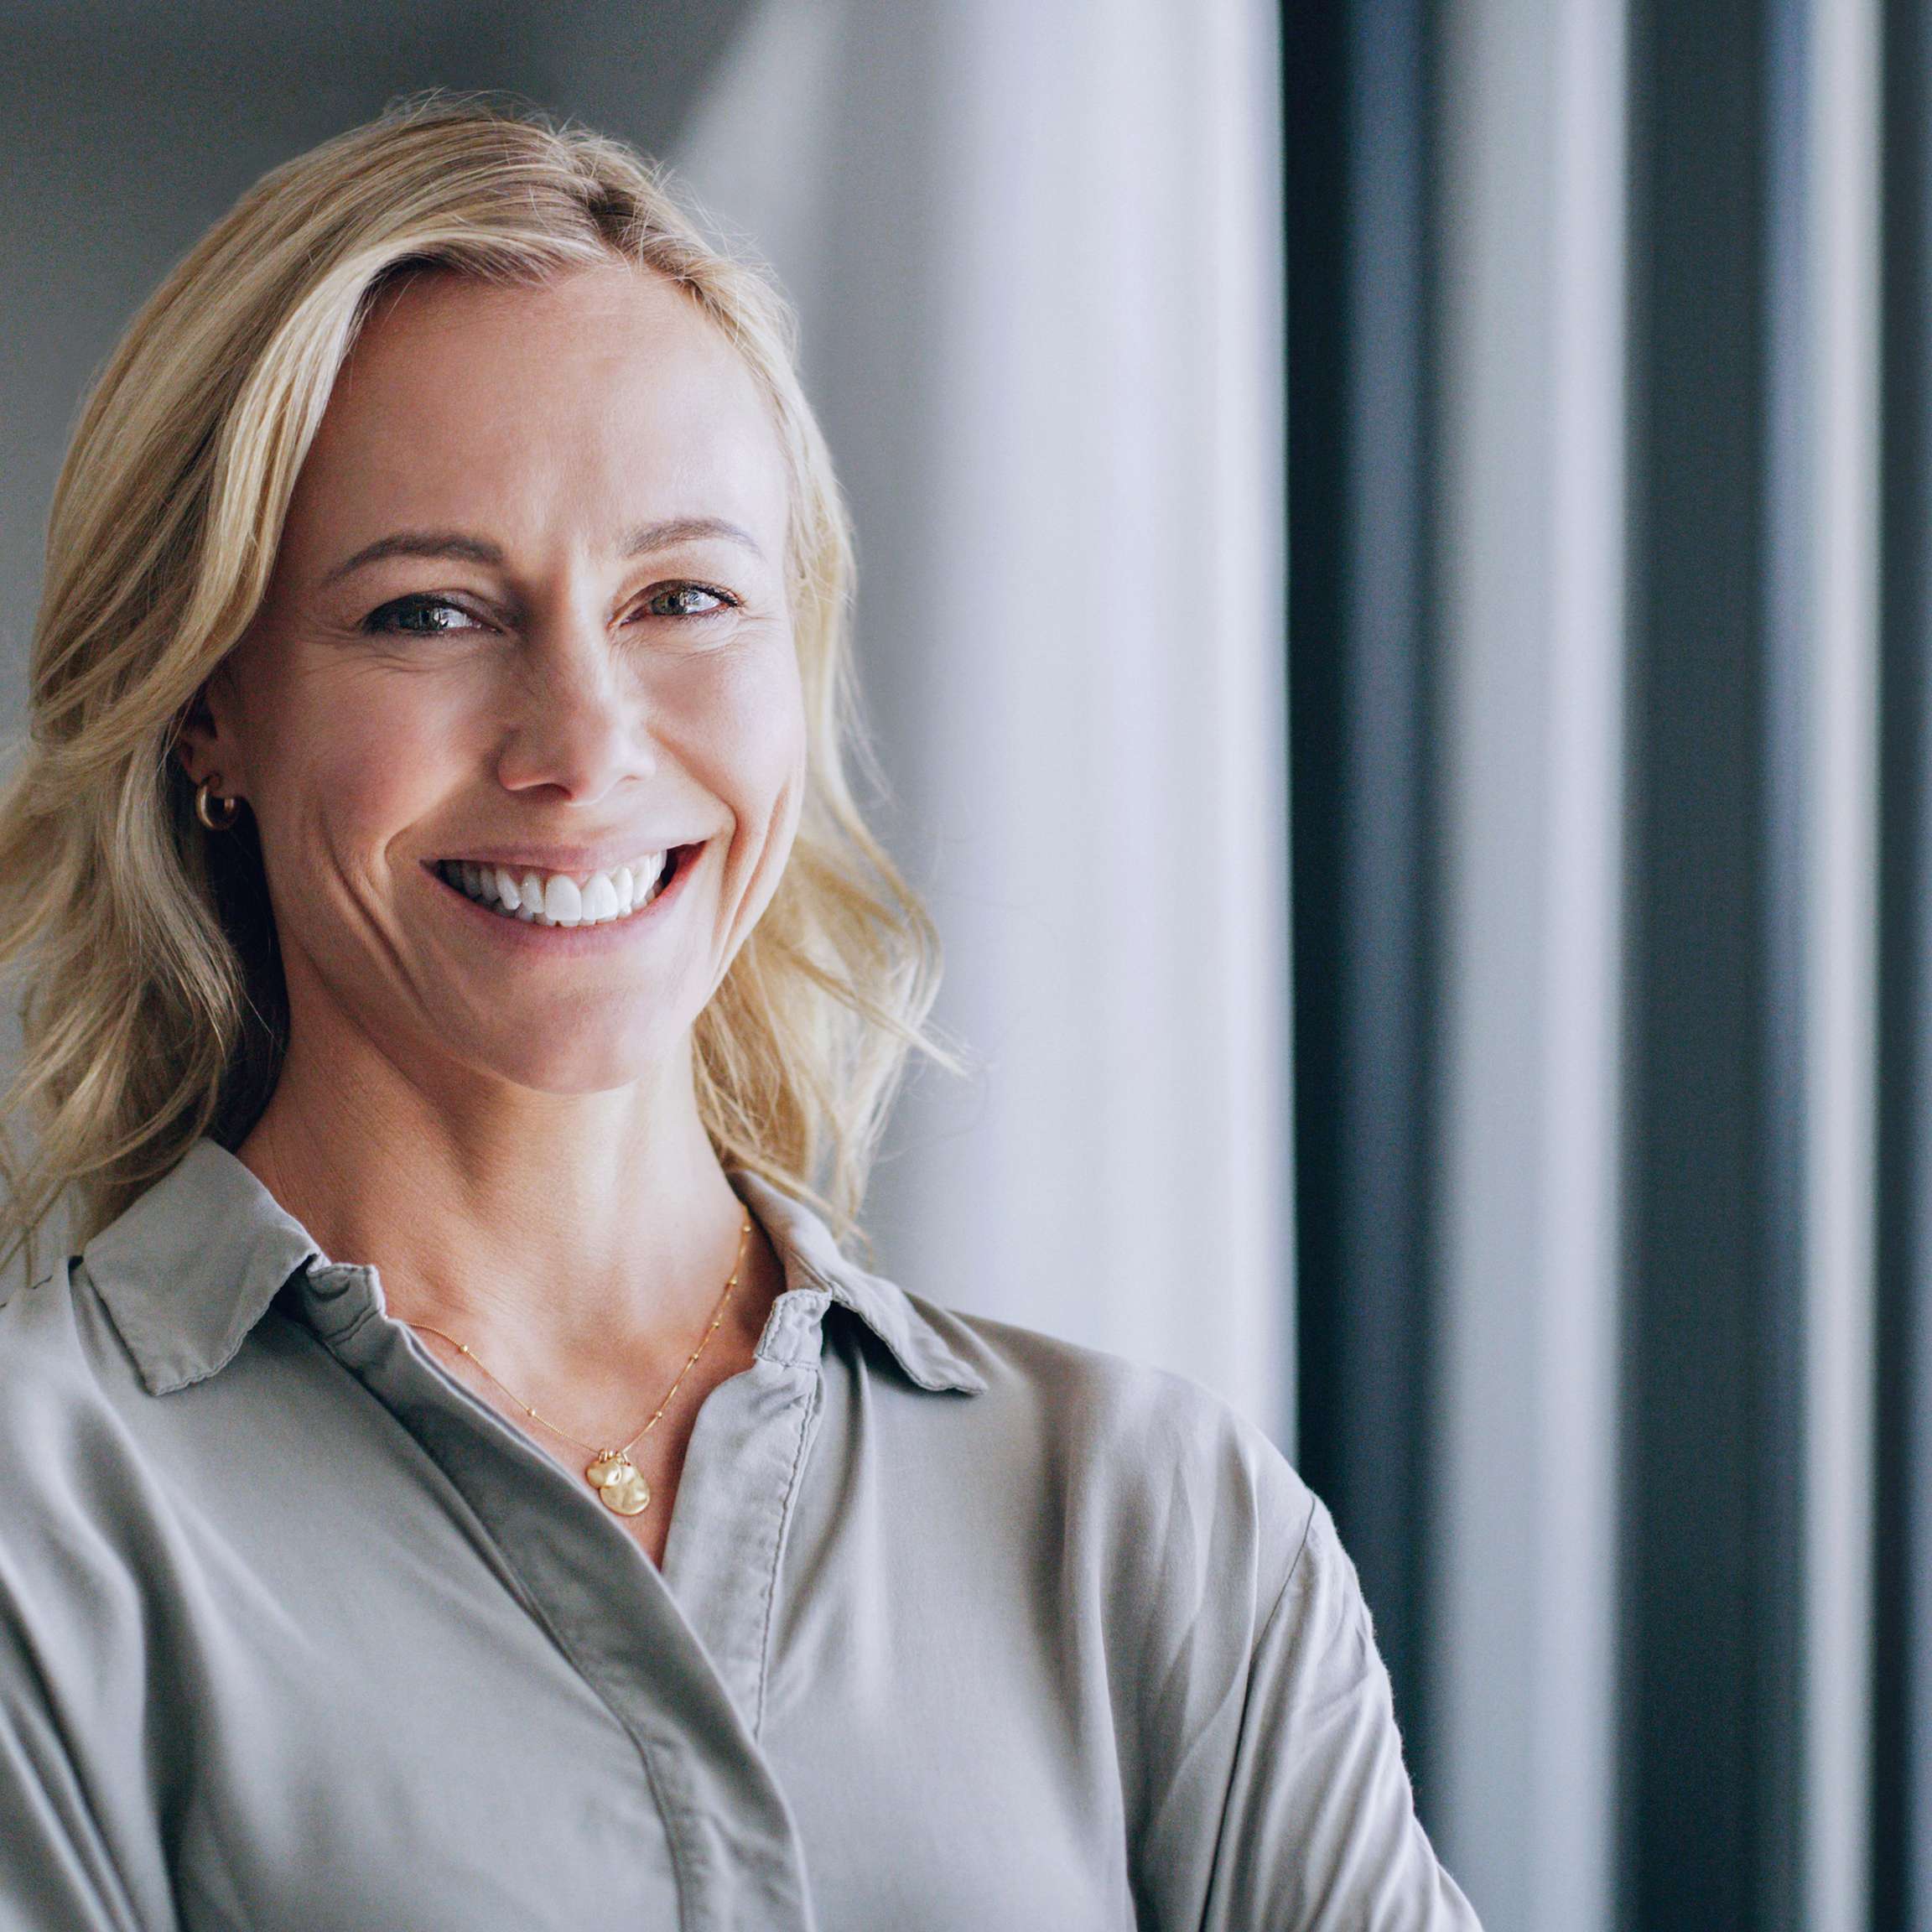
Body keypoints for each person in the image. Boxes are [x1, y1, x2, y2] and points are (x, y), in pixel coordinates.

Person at [0, 96, 1478, 1930]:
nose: (586, 744)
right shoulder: (38, 1524)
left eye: (683, 597)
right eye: (432, 616)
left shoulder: (1150, 1522)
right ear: (209, 706)